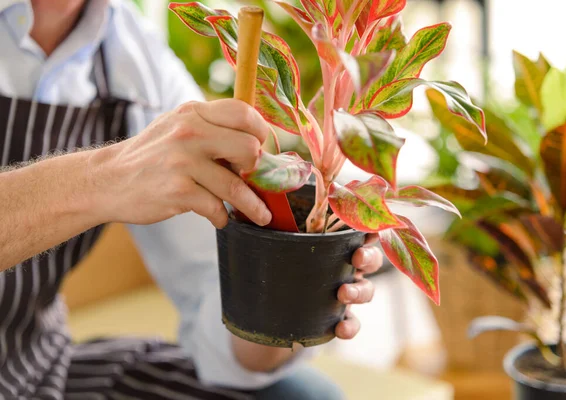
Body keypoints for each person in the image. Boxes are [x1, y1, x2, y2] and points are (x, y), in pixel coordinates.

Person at [0, 0, 385, 399]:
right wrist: (103, 179)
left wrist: (287, 291)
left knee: (302, 395)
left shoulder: (130, 54)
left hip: (33, 369)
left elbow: (211, 292)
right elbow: (117, 175)